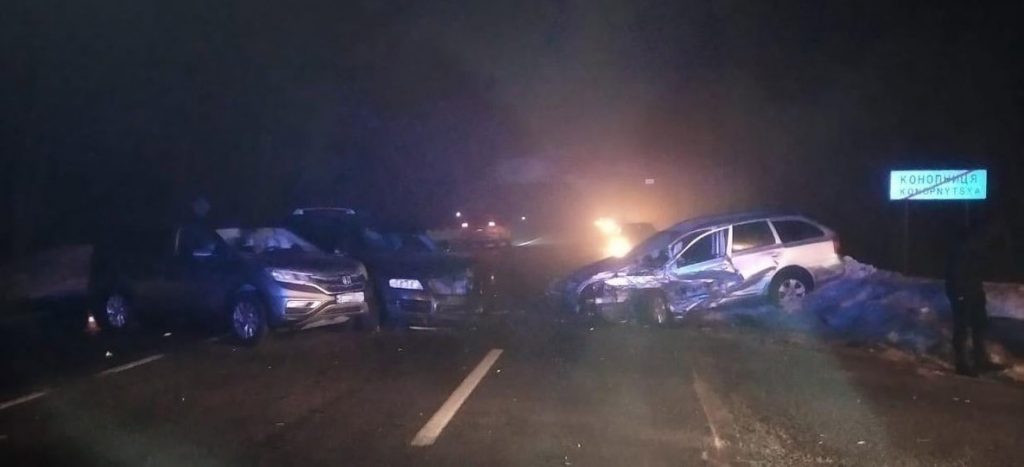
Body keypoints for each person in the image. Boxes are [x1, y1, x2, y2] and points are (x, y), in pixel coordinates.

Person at [945, 221, 1001, 376]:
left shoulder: (975, 247)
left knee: (979, 324)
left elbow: (976, 270)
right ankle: (961, 363)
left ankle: (980, 359)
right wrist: (960, 293)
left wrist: (978, 290)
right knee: (962, 327)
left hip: (973, 290)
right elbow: (956, 273)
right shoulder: (963, 249)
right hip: (962, 291)